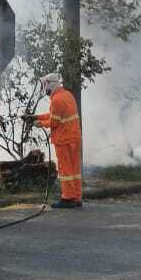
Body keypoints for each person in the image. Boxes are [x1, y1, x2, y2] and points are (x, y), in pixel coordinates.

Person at [24, 72, 83, 209]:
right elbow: (53, 115)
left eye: (45, 86)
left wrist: (39, 123)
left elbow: (54, 121)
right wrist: (35, 117)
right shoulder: (67, 95)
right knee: (74, 170)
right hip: (74, 137)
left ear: (50, 84)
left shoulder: (56, 100)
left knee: (65, 169)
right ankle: (77, 197)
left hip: (64, 139)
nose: (45, 89)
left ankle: (68, 198)